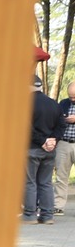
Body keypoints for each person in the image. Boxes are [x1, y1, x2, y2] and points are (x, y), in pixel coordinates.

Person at [24, 78, 58, 224]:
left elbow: (26, 128)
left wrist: (42, 141)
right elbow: (61, 125)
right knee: (46, 182)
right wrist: (53, 140)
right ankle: (47, 215)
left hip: (32, 149)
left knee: (30, 182)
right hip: (50, 150)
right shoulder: (53, 103)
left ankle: (30, 214)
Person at [56, 87, 75, 217]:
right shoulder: (63, 103)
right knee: (61, 177)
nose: (72, 99)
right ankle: (58, 206)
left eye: (74, 97)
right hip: (64, 143)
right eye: (70, 96)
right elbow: (56, 119)